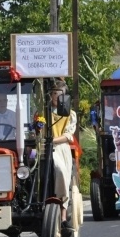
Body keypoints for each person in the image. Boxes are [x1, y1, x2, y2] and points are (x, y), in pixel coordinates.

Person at [49, 80, 77, 226]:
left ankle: (63, 213)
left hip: (60, 147)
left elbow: (68, 135)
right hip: (43, 147)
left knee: (61, 171)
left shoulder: (70, 114)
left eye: (59, 94)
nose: (56, 97)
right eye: (54, 93)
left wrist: (52, 140)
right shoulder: (43, 112)